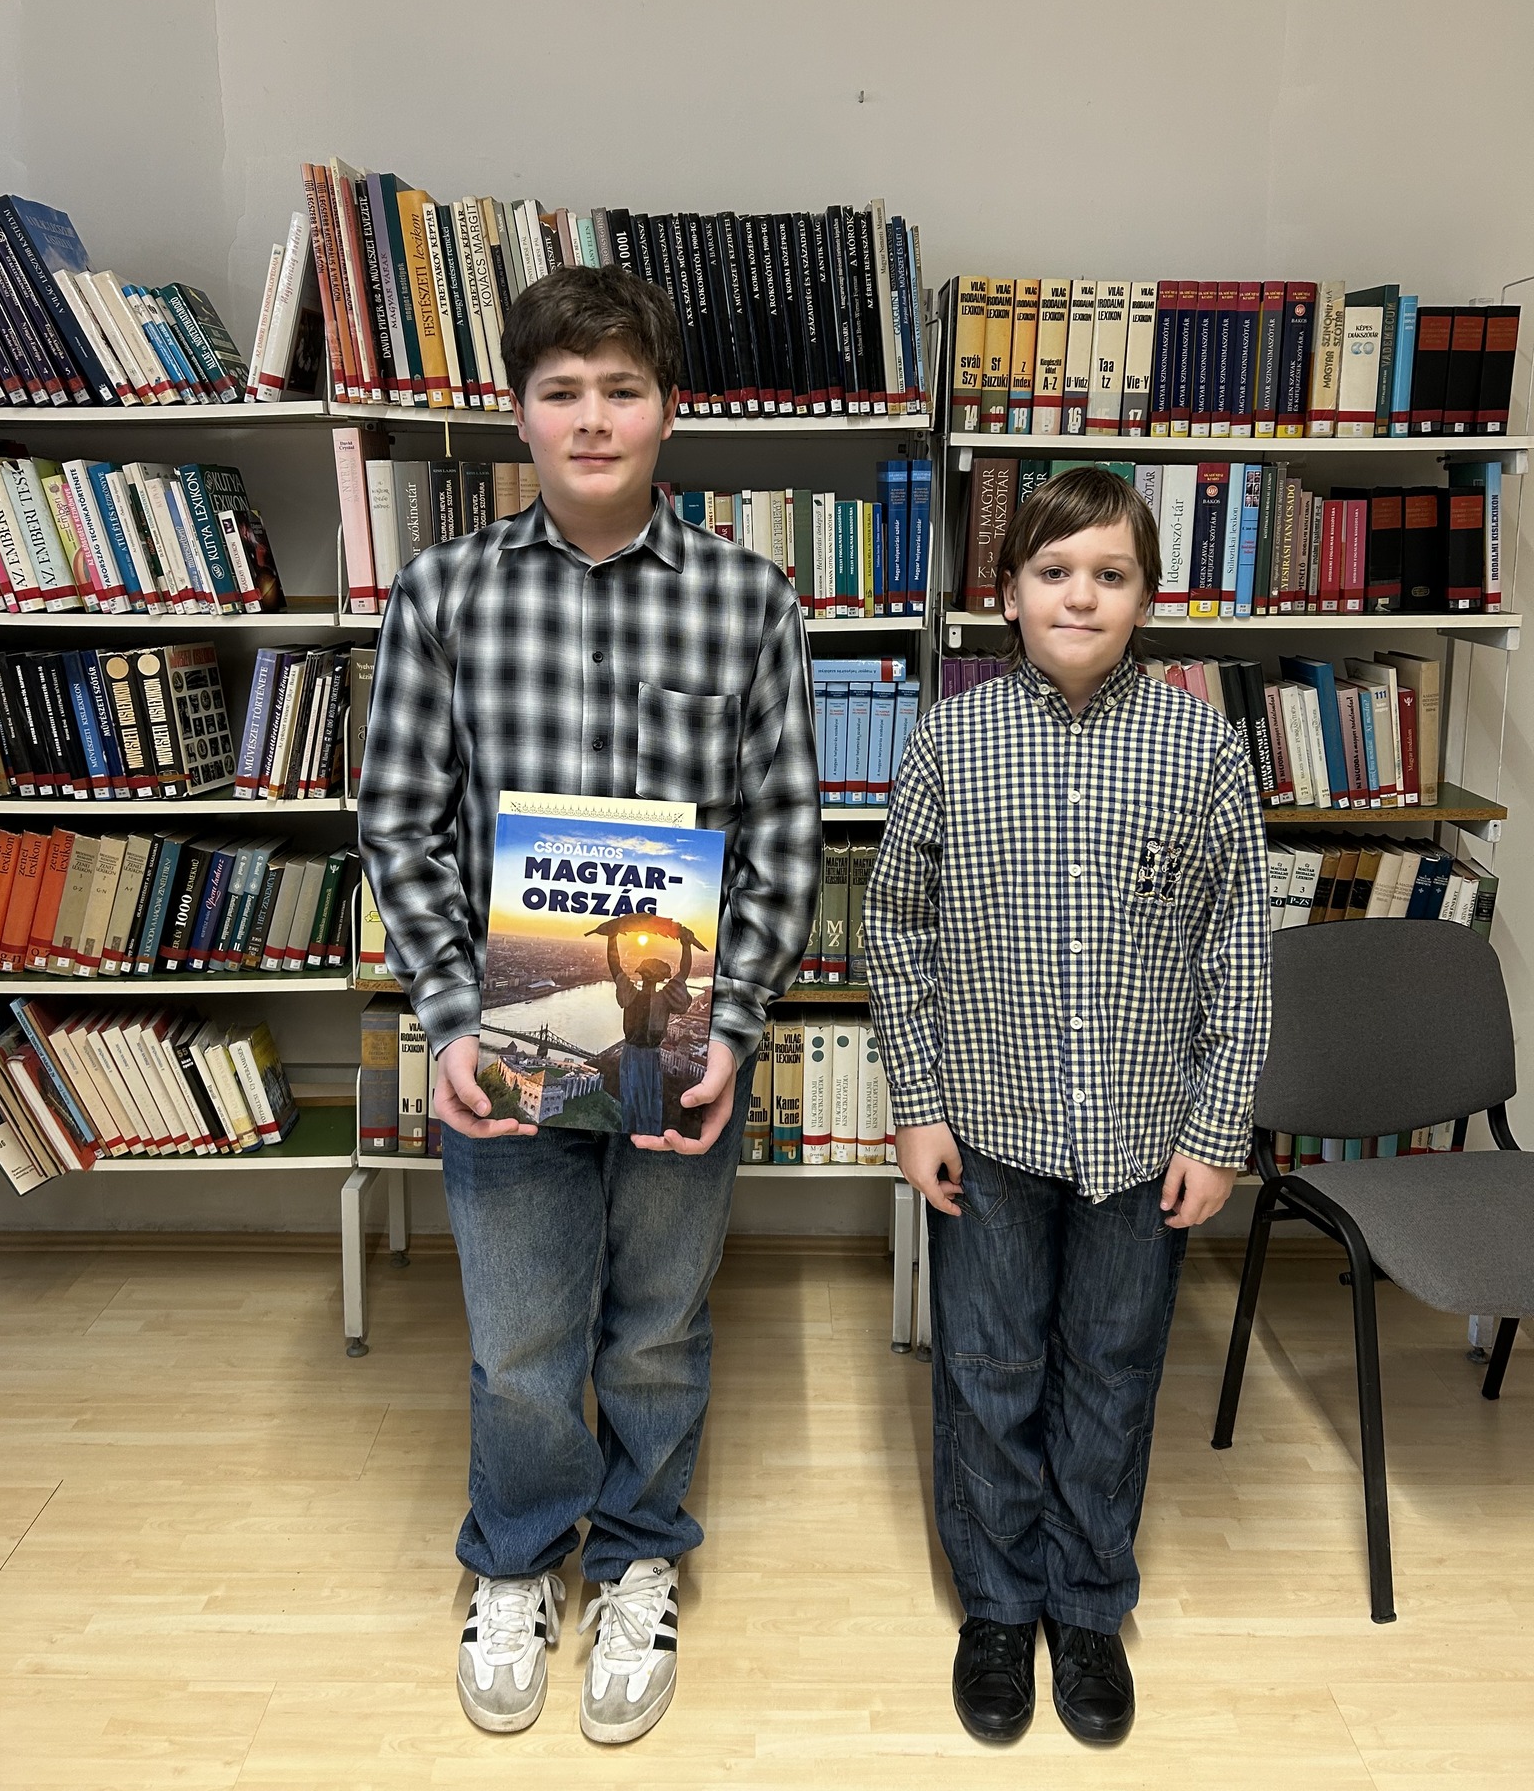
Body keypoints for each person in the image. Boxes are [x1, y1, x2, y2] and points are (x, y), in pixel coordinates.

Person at [358, 265, 820, 1746]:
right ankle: (515, 1560)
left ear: (669, 410)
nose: (594, 417)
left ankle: (635, 1560)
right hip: (502, 1041)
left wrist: (734, 1028)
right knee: (518, 1333)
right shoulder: (445, 593)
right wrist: (448, 1017)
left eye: (623, 387)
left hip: (680, 1044)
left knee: (658, 1329)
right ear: (519, 414)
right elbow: (399, 823)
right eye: (562, 390)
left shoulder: (751, 601)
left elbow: (785, 835)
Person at [866, 466, 1270, 1749]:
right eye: (1054, 572)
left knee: (1111, 1368)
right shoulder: (951, 739)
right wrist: (918, 1102)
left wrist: (1217, 1128)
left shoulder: (1205, 747)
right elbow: (895, 924)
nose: (1081, 596)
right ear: (1008, 594)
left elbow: (1240, 951)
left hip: (1145, 1139)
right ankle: (997, 1603)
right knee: (990, 1368)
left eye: (1110, 573)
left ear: (1148, 596)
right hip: (987, 1127)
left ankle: (1088, 1603)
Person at [605, 924, 695, 1138]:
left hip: (635, 1055)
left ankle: (634, 1134)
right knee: (648, 1101)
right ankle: (646, 1135)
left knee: (632, 1100)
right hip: (646, 1055)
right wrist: (686, 945)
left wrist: (612, 937)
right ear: (659, 978)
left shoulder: (631, 995)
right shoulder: (664, 998)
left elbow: (615, 967)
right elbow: (684, 973)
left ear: (643, 976)